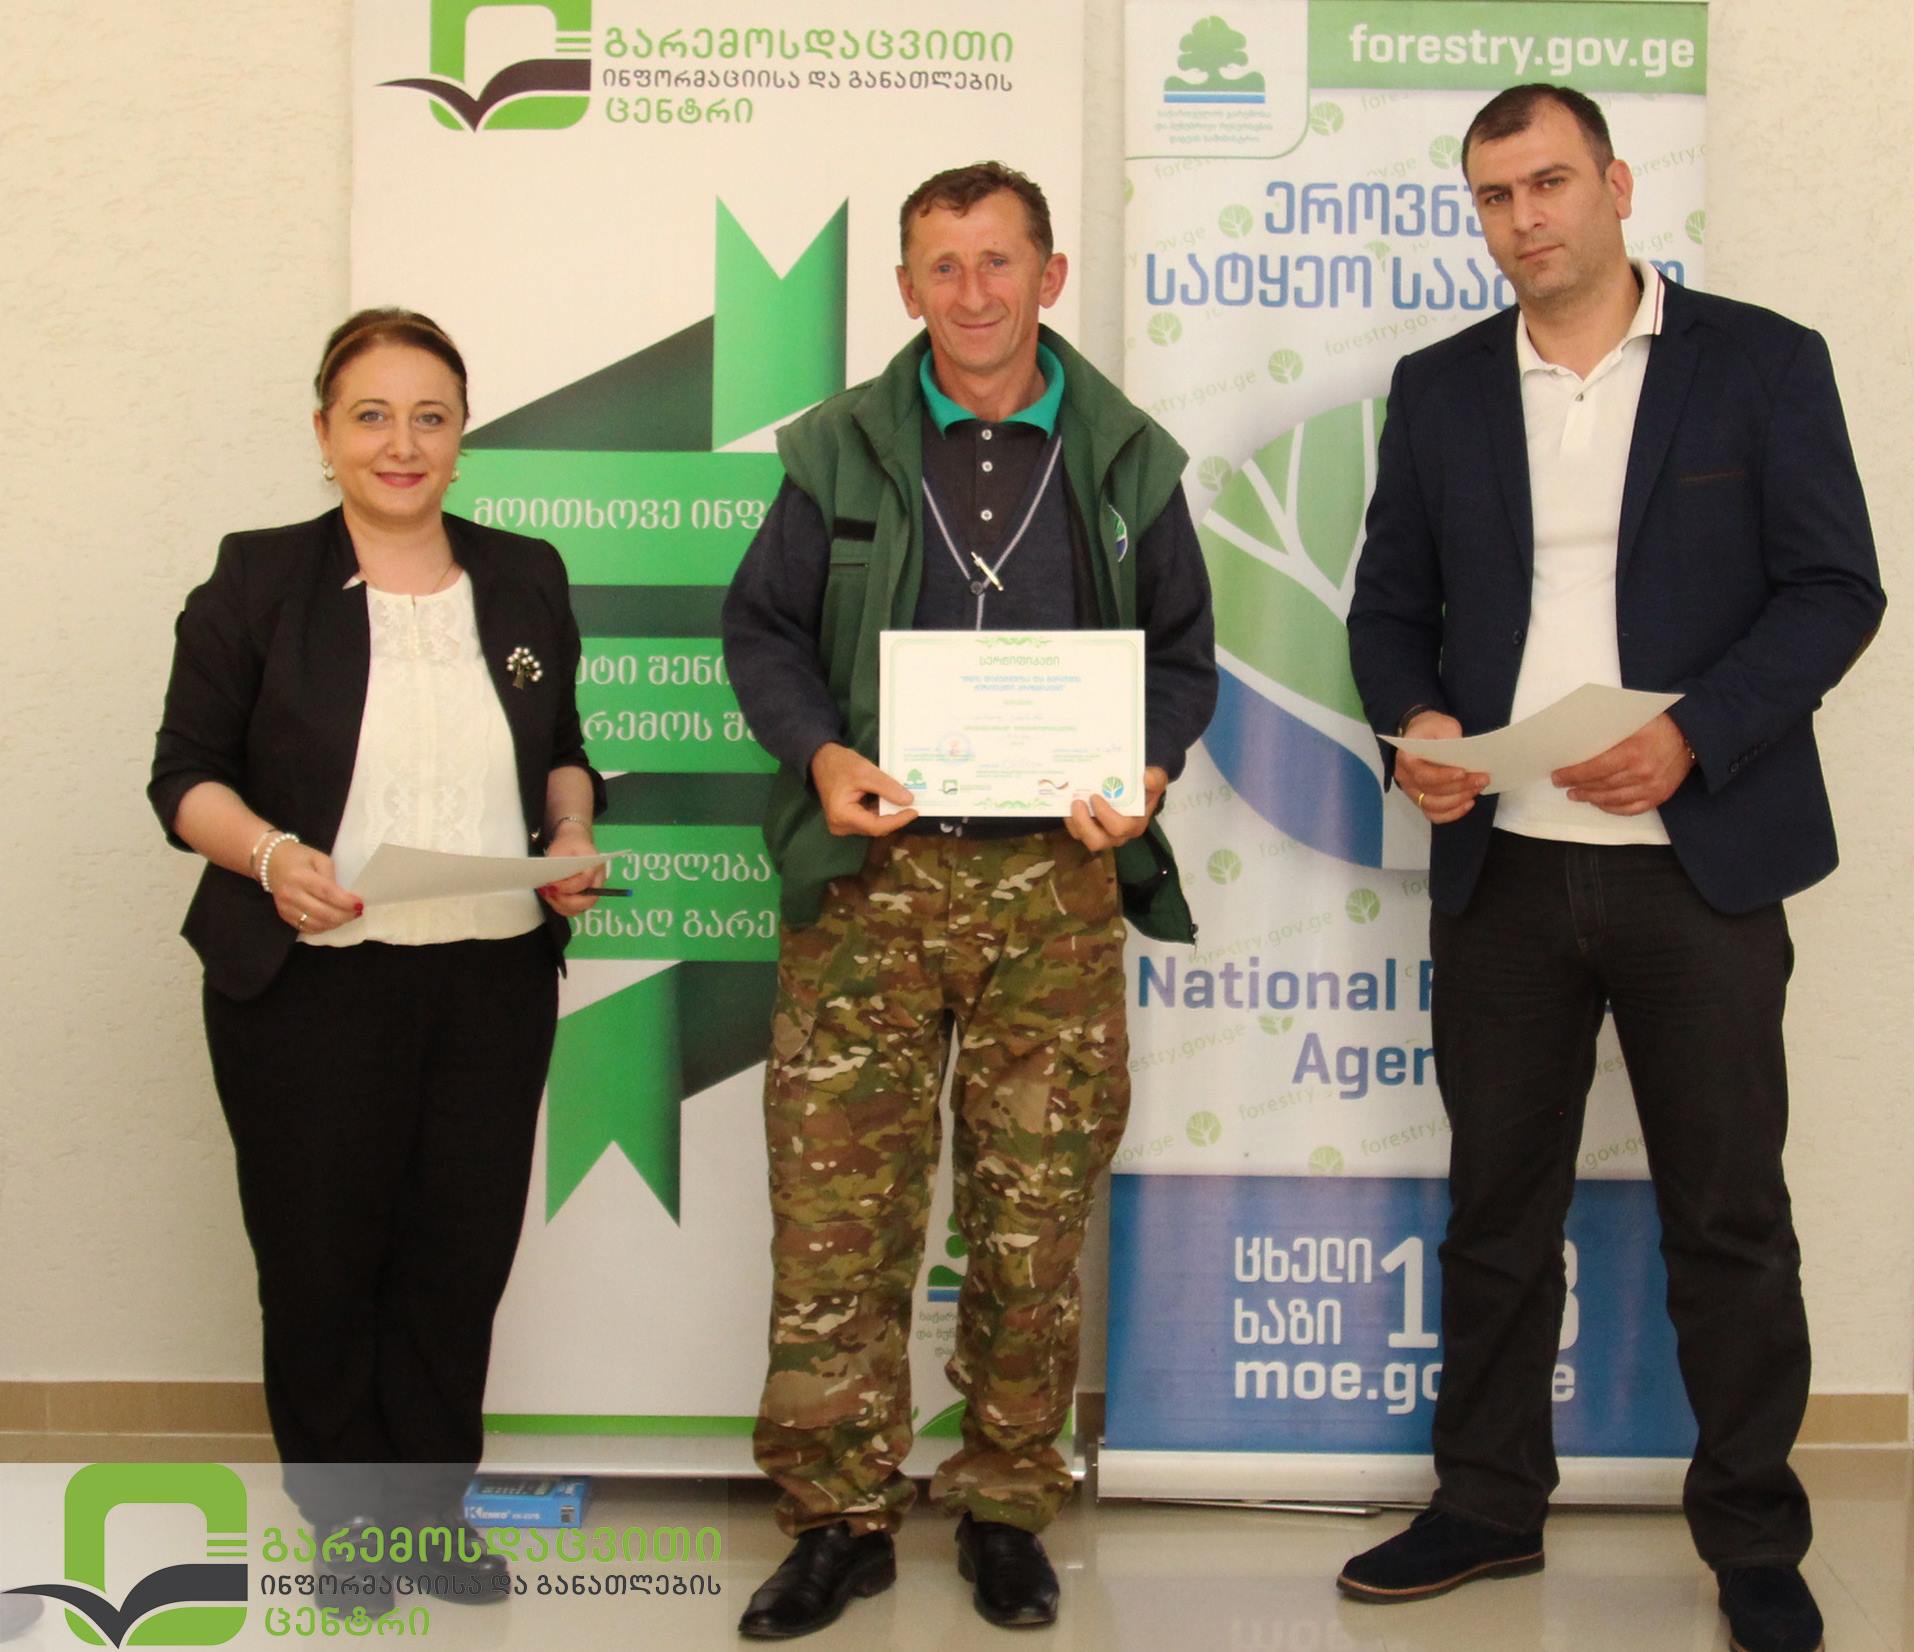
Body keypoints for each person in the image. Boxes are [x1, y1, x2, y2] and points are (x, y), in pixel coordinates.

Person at [1341, 85, 1883, 1652]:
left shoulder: (1762, 363)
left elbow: (1833, 589)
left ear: (1616, 184)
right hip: (1503, 865)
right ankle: (1486, 1504)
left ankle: (1753, 1537)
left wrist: (1694, 736)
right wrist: (1414, 720)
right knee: (1496, 1207)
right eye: (1494, 194)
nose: (1525, 218)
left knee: (1727, 1215)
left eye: (1550, 182)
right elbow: (1389, 609)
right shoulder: (1439, 387)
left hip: (1697, 866)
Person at [721, 161, 1216, 1636]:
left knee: (1029, 1218)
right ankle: (839, 1516)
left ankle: (1005, 1504)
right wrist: (819, 754)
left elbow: (1182, 658)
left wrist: (1145, 770)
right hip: (870, 881)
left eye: (999, 262)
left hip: (1051, 893)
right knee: (837, 1218)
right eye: (942, 266)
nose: (973, 292)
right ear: (905, 287)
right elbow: (761, 632)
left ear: (1049, 277)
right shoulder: (836, 451)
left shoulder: (1125, 461)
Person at [148, 308, 606, 1598]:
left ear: (462, 436)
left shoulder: (524, 575)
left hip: (489, 976)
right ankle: (347, 1526)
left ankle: (427, 1516)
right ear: (324, 433)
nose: (402, 443)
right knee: (322, 1260)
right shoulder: (257, 579)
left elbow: (561, 751)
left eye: (430, 417)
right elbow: (183, 777)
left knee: (457, 1261)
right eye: (371, 415)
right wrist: (269, 856)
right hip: (310, 983)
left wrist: (570, 832)